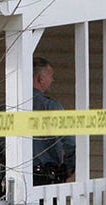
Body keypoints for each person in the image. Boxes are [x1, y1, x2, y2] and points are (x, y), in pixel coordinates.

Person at [31, 56, 75, 185]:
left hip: (11, 180)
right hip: (45, 180)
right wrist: (67, 169)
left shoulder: (5, 107)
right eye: (51, 76)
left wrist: (0, 171)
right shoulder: (50, 107)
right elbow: (70, 142)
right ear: (41, 79)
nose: (52, 80)